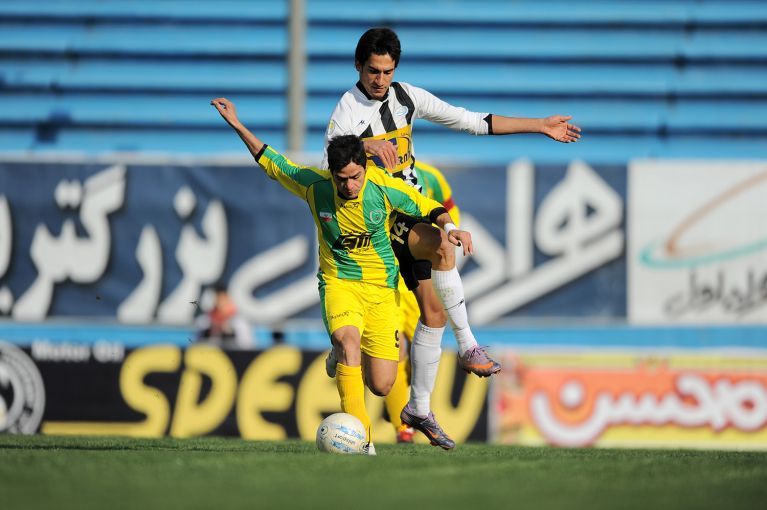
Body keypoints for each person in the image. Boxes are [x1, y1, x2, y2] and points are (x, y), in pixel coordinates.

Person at [322, 27, 581, 445]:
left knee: (426, 325)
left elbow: (470, 120)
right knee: (443, 246)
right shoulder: (347, 110)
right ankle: (468, 345)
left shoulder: (408, 98)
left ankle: (418, 407)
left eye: (387, 71)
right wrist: (365, 149)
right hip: (377, 218)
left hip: (409, 211)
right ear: (358, 66)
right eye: (373, 71)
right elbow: (330, 165)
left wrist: (538, 125)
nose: (380, 80)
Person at [211, 96, 472, 452]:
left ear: (365, 168)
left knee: (382, 384)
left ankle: (342, 354)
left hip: (382, 290)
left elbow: (427, 206)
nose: (349, 186)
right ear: (331, 173)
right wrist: (237, 124)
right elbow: (272, 162)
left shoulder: (383, 186)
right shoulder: (314, 185)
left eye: (355, 177)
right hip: (339, 284)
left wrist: (451, 227)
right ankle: (363, 444)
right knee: (349, 342)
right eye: (342, 179)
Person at [195, 283, 252, 349]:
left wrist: (230, 332)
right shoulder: (204, 322)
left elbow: (247, 348)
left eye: (223, 299)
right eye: (217, 299)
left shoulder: (239, 323)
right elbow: (197, 347)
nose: (220, 304)